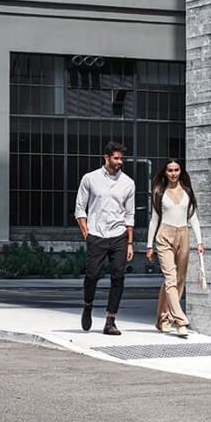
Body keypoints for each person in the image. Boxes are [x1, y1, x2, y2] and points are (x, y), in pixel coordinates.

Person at [75, 141, 135, 336]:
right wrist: (87, 233)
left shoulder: (128, 183)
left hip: (119, 236)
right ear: (106, 157)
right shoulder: (90, 179)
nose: (120, 162)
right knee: (92, 275)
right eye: (116, 158)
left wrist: (130, 242)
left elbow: (129, 214)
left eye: (121, 159)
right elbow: (80, 208)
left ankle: (110, 320)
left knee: (118, 276)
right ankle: (88, 306)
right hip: (97, 235)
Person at [146, 159, 204, 338]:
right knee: (170, 278)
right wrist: (149, 245)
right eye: (170, 170)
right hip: (164, 235)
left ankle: (163, 319)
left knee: (178, 280)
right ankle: (179, 320)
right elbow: (154, 219)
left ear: (180, 171)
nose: (173, 173)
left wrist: (199, 242)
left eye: (176, 170)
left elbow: (193, 217)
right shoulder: (160, 192)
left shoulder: (187, 191)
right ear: (165, 172)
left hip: (183, 235)